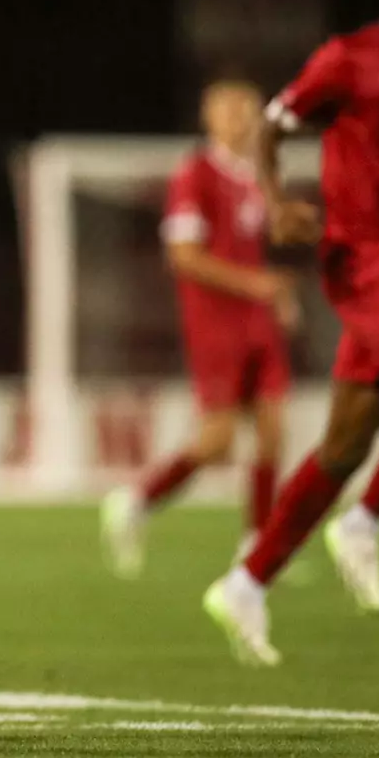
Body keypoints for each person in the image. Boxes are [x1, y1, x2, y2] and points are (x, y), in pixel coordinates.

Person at [204, 0, 379, 665]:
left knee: (346, 440)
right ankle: (363, 523)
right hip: (365, 259)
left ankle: (248, 582)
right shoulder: (352, 60)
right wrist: (276, 197)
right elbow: (271, 125)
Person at [101, 78, 296, 578]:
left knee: (274, 430)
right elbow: (183, 257)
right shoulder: (195, 175)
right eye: (228, 109)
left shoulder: (256, 176)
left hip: (257, 323)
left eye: (247, 109)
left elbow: (257, 253)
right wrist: (256, 286)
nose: (239, 118)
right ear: (208, 118)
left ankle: (258, 548)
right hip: (216, 324)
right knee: (218, 442)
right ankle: (137, 502)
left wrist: (277, 296)